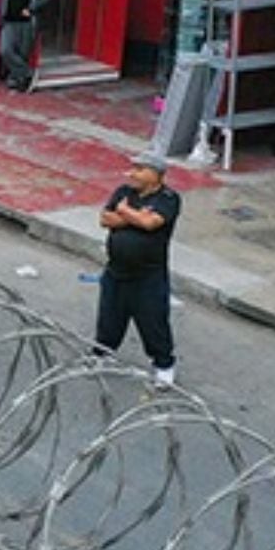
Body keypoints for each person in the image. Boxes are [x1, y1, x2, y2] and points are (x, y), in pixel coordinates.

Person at [95, 152, 182, 386]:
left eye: (139, 169)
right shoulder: (124, 192)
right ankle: (102, 353)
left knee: (152, 320)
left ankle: (164, 365)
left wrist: (124, 213)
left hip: (148, 276)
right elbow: (105, 219)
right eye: (132, 168)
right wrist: (134, 217)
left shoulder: (168, 199)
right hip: (116, 270)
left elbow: (151, 223)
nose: (131, 173)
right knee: (110, 316)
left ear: (156, 175)